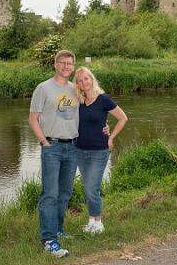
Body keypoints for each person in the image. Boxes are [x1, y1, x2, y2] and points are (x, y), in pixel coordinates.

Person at [29, 50, 79, 258]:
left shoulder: (76, 89)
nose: (66, 66)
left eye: (70, 63)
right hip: (53, 147)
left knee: (65, 193)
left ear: (73, 67)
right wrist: (44, 142)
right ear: (55, 64)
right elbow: (33, 118)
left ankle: (58, 229)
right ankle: (49, 240)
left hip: (73, 147)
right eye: (62, 63)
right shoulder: (43, 88)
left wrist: (104, 127)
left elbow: (87, 113)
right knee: (50, 193)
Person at [74, 66, 128, 234]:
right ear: (78, 84)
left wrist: (111, 137)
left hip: (99, 151)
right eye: (80, 80)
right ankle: (91, 221)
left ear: (92, 79)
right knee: (88, 187)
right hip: (80, 150)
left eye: (86, 78)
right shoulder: (78, 101)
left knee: (92, 188)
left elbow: (123, 118)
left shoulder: (103, 99)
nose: (84, 82)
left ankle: (99, 223)